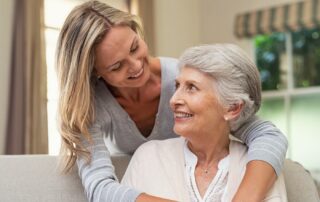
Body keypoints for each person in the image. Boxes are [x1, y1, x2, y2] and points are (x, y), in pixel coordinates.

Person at [55, 1, 288, 202]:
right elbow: (100, 188)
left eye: (135, 47)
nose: (136, 66)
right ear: (96, 72)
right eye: (117, 66)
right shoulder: (90, 106)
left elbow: (266, 134)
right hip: (142, 184)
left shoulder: (183, 77)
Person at [121, 44, 288, 202]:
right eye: (177, 86)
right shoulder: (148, 157)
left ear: (232, 108)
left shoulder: (259, 167)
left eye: (192, 87)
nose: (173, 100)